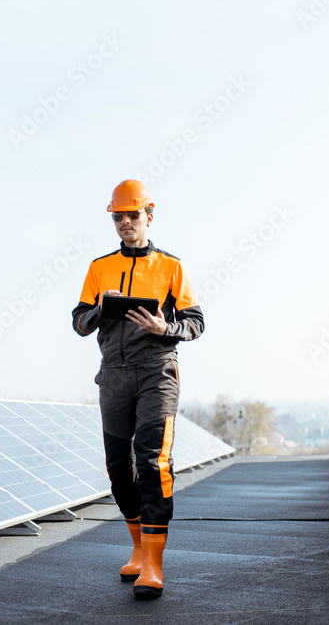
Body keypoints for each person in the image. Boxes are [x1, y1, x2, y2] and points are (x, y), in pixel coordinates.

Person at [71, 179, 204, 599]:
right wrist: (98, 309)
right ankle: (136, 547)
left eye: (132, 215)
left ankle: (154, 565)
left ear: (149, 215)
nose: (125, 222)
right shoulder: (98, 268)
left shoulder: (172, 266)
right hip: (113, 374)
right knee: (119, 468)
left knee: (153, 463)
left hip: (156, 372)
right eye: (118, 216)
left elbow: (196, 322)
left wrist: (166, 327)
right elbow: (78, 322)